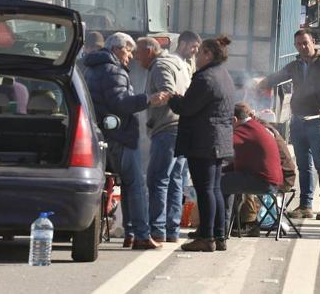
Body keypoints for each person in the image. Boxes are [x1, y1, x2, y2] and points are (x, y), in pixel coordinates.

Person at [83, 32, 169, 250]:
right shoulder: (114, 70)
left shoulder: (92, 68)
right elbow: (121, 102)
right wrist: (148, 99)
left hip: (102, 135)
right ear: (116, 49)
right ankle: (141, 235)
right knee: (136, 186)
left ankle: (130, 233)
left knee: (130, 185)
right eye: (128, 50)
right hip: (120, 136)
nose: (130, 56)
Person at [259, 29, 320, 221]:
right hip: (298, 122)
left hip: (317, 121)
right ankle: (305, 205)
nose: (303, 47)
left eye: (306, 43)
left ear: (313, 42)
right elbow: (277, 77)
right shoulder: (295, 65)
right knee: (303, 165)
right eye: (299, 44)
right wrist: (260, 83)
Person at [168, 35, 236, 252]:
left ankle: (207, 237)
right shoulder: (223, 75)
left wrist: (173, 98)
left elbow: (187, 108)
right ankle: (218, 234)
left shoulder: (205, 78)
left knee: (205, 189)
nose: (196, 57)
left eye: (200, 53)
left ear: (208, 54)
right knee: (214, 188)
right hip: (218, 139)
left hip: (204, 140)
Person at [135, 37, 191, 244]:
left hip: (168, 129)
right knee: (175, 180)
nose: (135, 57)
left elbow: (168, 91)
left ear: (149, 51)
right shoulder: (177, 62)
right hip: (182, 128)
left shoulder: (159, 66)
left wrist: (153, 103)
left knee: (158, 179)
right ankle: (171, 229)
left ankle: (158, 229)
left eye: (138, 52)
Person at [230, 103, 296, 237]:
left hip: (283, 177)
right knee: (240, 175)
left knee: (240, 177)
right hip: (277, 174)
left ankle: (249, 222)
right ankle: (237, 220)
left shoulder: (258, 129)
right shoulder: (257, 127)